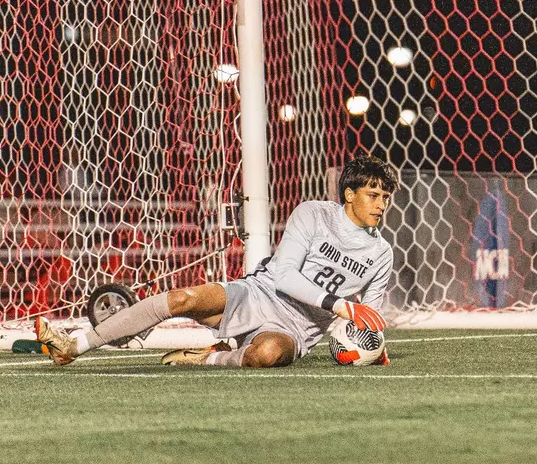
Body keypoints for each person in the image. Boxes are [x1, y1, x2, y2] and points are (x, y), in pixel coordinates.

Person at [35, 154, 396, 368]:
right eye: (373, 195)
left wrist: (372, 345)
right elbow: (283, 274)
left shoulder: (381, 254)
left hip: (296, 330)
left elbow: (370, 316)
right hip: (258, 295)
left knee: (267, 355)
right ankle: (75, 345)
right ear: (349, 194)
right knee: (182, 300)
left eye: (385, 197)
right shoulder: (313, 214)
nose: (381, 204)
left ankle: (210, 357)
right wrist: (341, 306)